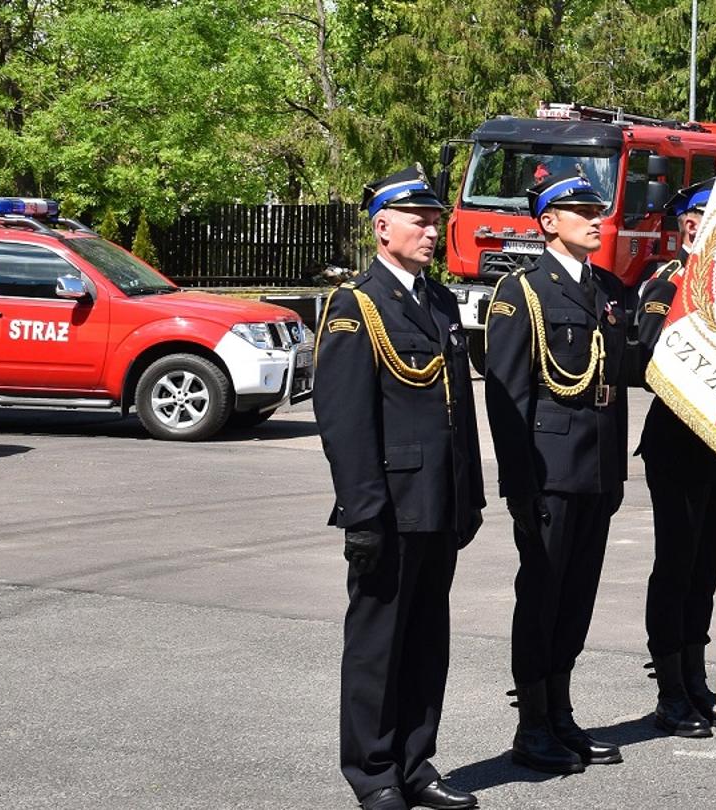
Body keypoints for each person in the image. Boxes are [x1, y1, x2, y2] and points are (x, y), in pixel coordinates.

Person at [318, 165, 485, 810]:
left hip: (438, 502)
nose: (432, 228)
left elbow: (457, 412)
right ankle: (374, 771)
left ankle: (417, 763)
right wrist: (363, 511)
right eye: (419, 218)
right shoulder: (355, 306)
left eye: (435, 218)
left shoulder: (437, 300)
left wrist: (467, 493)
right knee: (378, 645)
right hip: (388, 505)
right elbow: (345, 420)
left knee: (426, 640)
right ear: (382, 226)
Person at [483, 168, 632, 767]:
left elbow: (620, 379)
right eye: (582, 211)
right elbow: (507, 397)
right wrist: (520, 485)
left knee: (577, 597)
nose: (597, 219)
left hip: (598, 470)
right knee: (542, 596)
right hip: (548, 470)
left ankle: (562, 710)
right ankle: (533, 723)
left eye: (599, 210)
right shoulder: (524, 292)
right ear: (549, 222)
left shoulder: (607, 288)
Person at [629, 180, 716, 736]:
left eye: (713, 215)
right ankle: (670, 689)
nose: (702, 224)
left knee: (707, 569)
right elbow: (649, 353)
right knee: (677, 566)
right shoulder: (669, 281)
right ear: (682, 227)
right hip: (677, 444)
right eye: (695, 217)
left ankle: (699, 680)